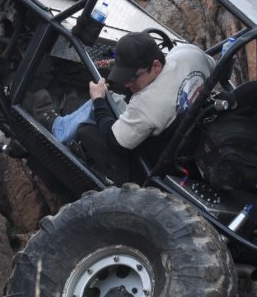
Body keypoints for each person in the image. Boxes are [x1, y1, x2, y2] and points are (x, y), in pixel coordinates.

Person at [75, 31, 214, 183]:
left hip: (151, 167)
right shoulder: (189, 53)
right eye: (124, 78)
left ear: (156, 65)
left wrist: (98, 100)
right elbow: (220, 69)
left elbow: (114, 142)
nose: (127, 84)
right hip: (192, 141)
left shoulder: (146, 103)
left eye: (132, 78)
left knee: (84, 130)